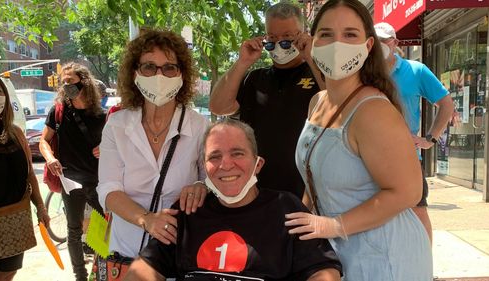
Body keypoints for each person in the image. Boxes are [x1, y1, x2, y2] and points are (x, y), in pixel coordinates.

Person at [284, 0, 433, 280]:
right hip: (340, 254)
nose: (337, 43)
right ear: (313, 43)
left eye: (350, 34)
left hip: (385, 259)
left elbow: (407, 192)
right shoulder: (318, 101)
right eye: (326, 34)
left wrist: (333, 225)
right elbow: (312, 177)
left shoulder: (373, 111)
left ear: (367, 47)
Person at [123, 118, 342, 281]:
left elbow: (324, 270)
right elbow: (146, 266)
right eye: (214, 156)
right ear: (204, 168)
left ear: (258, 164)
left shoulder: (286, 208)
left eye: (237, 153)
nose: (225, 164)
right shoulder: (188, 209)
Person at [96, 29, 209, 264]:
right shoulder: (116, 126)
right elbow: (108, 191)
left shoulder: (199, 127)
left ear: (182, 74)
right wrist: (146, 219)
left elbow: (210, 181)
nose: (160, 76)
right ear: (135, 73)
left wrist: (201, 186)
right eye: (149, 67)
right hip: (125, 255)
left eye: (169, 67)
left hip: (177, 255)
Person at [209, 2, 322, 200]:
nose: (279, 44)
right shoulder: (255, 78)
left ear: (302, 34)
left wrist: (311, 57)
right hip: (258, 192)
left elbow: (339, 104)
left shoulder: (317, 74)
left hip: (306, 193)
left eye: (287, 37)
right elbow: (218, 106)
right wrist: (243, 62)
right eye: (272, 37)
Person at [374, 21, 455, 242]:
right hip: (367, 155)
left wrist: (430, 139)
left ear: (395, 43)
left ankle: (425, 270)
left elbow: (447, 104)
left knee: (417, 211)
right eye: (375, 41)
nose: (379, 45)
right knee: (374, 214)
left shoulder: (415, 70)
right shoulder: (362, 73)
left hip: (406, 157)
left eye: (384, 41)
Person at [39, 62, 106, 281]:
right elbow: (44, 141)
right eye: (64, 82)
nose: (67, 85)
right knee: (74, 232)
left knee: (103, 229)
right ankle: (80, 276)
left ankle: (101, 270)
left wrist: (105, 148)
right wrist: (49, 158)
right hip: (70, 180)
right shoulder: (58, 111)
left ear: (84, 82)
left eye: (71, 81)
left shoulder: (99, 115)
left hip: (97, 180)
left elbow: (115, 145)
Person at [0, 72, 50, 281]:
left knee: (8, 273)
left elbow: (30, 174)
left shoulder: (15, 133)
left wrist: (41, 208)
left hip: (15, 218)